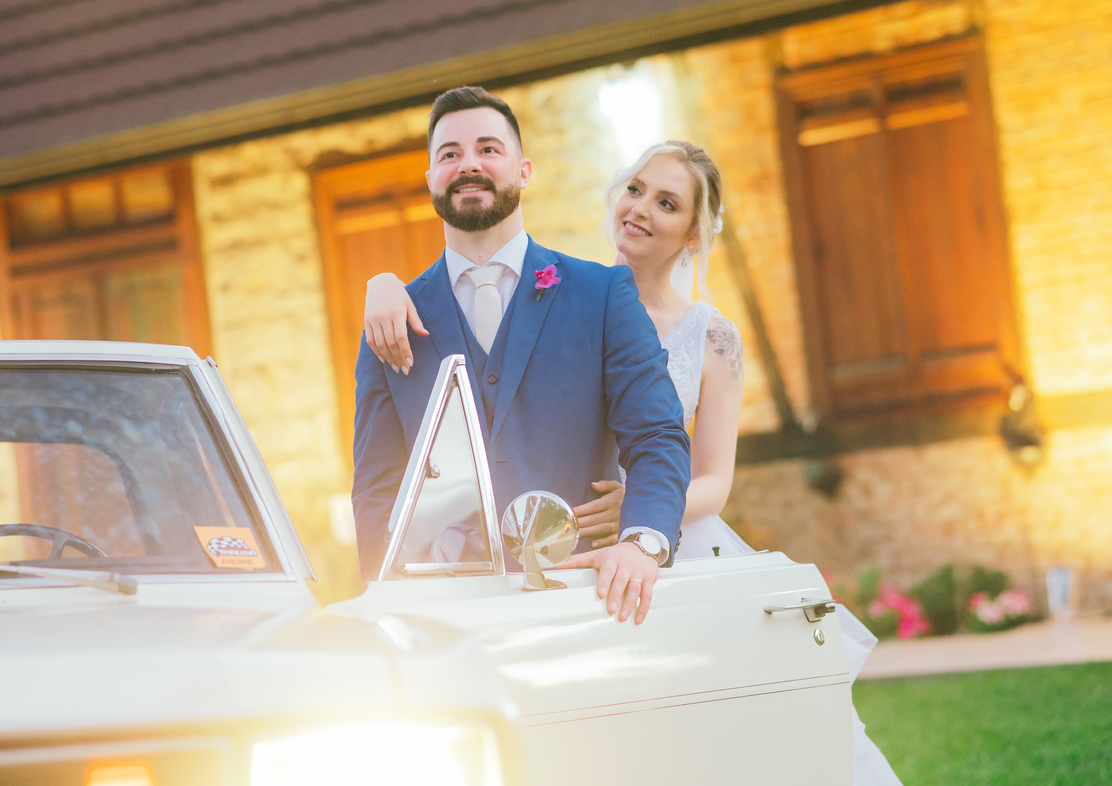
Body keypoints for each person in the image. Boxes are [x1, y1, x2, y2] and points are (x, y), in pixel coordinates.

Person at [363, 138, 903, 786]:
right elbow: (464, 284)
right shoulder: (563, 294)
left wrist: (645, 509)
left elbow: (715, 480)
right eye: (637, 189)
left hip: (670, 544)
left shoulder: (712, 336)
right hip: (573, 543)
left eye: (668, 203)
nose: (642, 208)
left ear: (694, 235)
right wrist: (384, 282)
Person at [351, 87, 691, 625]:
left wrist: (640, 545)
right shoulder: (391, 321)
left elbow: (657, 436)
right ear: (431, 180)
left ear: (524, 170)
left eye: (488, 149)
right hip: (446, 618)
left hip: (584, 601)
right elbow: (375, 490)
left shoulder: (602, 295)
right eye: (449, 154)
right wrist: (387, 601)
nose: (468, 165)